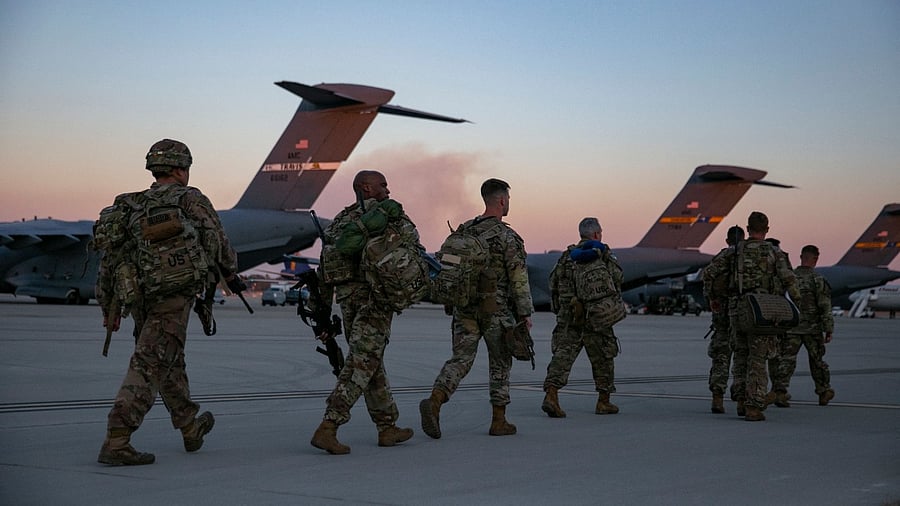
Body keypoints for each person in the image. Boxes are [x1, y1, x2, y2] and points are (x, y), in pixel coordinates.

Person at [97, 139, 244, 465]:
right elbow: (217, 241)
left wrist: (107, 302)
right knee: (149, 364)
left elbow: (110, 256)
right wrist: (231, 274)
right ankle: (117, 439)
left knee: (168, 360)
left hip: (140, 297)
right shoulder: (190, 199)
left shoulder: (130, 204)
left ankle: (190, 427)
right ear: (181, 169)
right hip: (173, 296)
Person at [310, 170, 416, 454]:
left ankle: (387, 426)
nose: (388, 189)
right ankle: (329, 425)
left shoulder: (342, 221)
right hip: (374, 299)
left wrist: (322, 305)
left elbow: (326, 265)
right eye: (383, 184)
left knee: (370, 360)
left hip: (348, 301)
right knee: (362, 362)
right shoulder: (387, 216)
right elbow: (410, 245)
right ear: (366, 188)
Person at [420, 178, 534, 438]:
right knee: (501, 361)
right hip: (496, 309)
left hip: (464, 308)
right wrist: (525, 313)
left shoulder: (464, 232)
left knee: (460, 359)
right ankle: (499, 420)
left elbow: (448, 267)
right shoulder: (507, 236)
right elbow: (518, 277)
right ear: (502, 200)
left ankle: (435, 401)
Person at [541, 217, 624, 418]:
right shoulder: (602, 254)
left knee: (563, 356)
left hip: (571, 316)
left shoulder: (566, 257)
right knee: (604, 356)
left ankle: (551, 395)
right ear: (596, 234)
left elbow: (553, 284)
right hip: (597, 316)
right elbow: (618, 278)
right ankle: (603, 402)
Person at [726, 212, 800, 421]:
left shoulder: (734, 251)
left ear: (748, 229)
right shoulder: (775, 252)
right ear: (767, 230)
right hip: (762, 312)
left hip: (738, 309)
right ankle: (753, 406)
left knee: (740, 355)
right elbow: (790, 281)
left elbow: (712, 275)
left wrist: (715, 299)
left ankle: (740, 400)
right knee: (758, 359)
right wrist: (797, 305)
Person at [769, 245, 835, 406]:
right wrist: (828, 328)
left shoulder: (789, 277)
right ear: (816, 259)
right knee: (817, 360)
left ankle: (780, 391)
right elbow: (824, 306)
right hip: (812, 328)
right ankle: (823, 390)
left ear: (801, 257)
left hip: (791, 326)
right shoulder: (817, 279)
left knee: (787, 360)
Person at [701, 225, 744, 414]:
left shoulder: (723, 256)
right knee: (744, 356)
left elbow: (708, 275)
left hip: (723, 313)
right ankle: (742, 398)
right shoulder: (748, 256)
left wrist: (712, 299)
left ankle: (717, 398)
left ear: (727, 241)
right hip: (745, 313)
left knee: (721, 356)